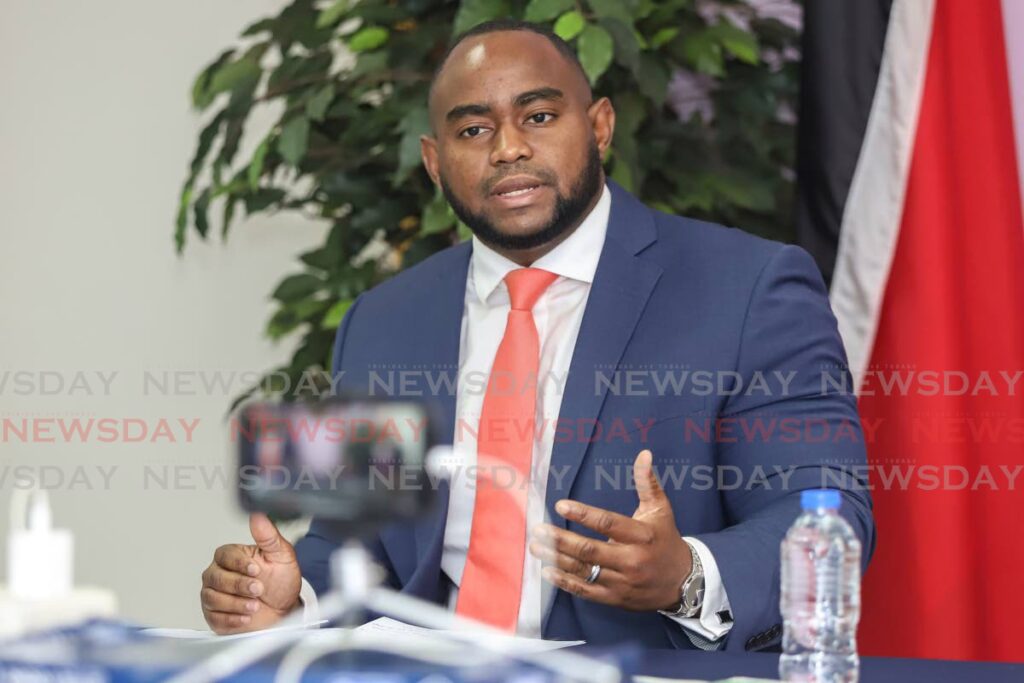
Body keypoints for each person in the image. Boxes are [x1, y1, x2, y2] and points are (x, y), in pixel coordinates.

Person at [199, 19, 875, 651]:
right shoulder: (381, 321)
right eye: (472, 131)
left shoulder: (748, 288)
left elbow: (823, 512)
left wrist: (684, 574)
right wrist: (296, 601)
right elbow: (351, 538)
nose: (509, 148)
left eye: (540, 116)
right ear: (434, 162)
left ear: (601, 125)